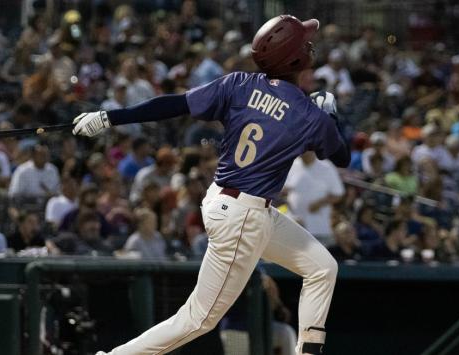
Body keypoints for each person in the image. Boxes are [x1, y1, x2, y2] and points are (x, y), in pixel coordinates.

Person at [72, 15, 349, 355]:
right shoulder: (309, 115)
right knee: (198, 318)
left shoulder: (239, 85)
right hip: (244, 217)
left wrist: (110, 117)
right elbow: (342, 156)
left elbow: (173, 104)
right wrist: (332, 118)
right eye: (303, 41)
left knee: (322, 267)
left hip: (234, 204)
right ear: (294, 58)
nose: (310, 43)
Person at [284, 151, 345, 247]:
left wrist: (320, 203)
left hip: (318, 228)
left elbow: (338, 194)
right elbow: (283, 191)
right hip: (295, 227)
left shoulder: (327, 167)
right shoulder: (293, 164)